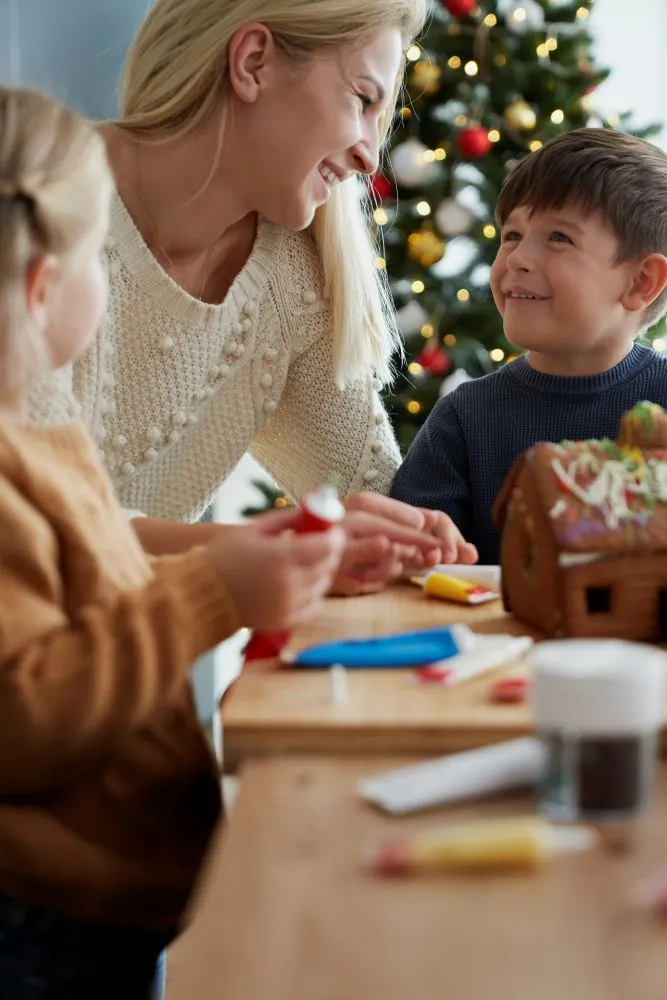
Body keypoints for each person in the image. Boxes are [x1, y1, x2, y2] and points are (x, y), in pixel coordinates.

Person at [0, 84, 350, 1000]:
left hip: (111, 909)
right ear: (45, 291)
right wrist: (213, 594)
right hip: (43, 924)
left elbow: (104, 598)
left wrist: (244, 554)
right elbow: (23, 718)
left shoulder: (45, 449)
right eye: (96, 264)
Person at [27, 0, 477, 586]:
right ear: (254, 62)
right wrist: (280, 546)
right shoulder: (38, 208)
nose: (371, 155)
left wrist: (402, 531)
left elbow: (370, 489)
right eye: (363, 100)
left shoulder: (290, 279)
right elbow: (37, 523)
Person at [391, 128, 667, 564]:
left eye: (559, 237)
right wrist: (420, 547)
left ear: (641, 282)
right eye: (513, 235)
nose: (517, 257)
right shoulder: (464, 418)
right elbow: (412, 557)